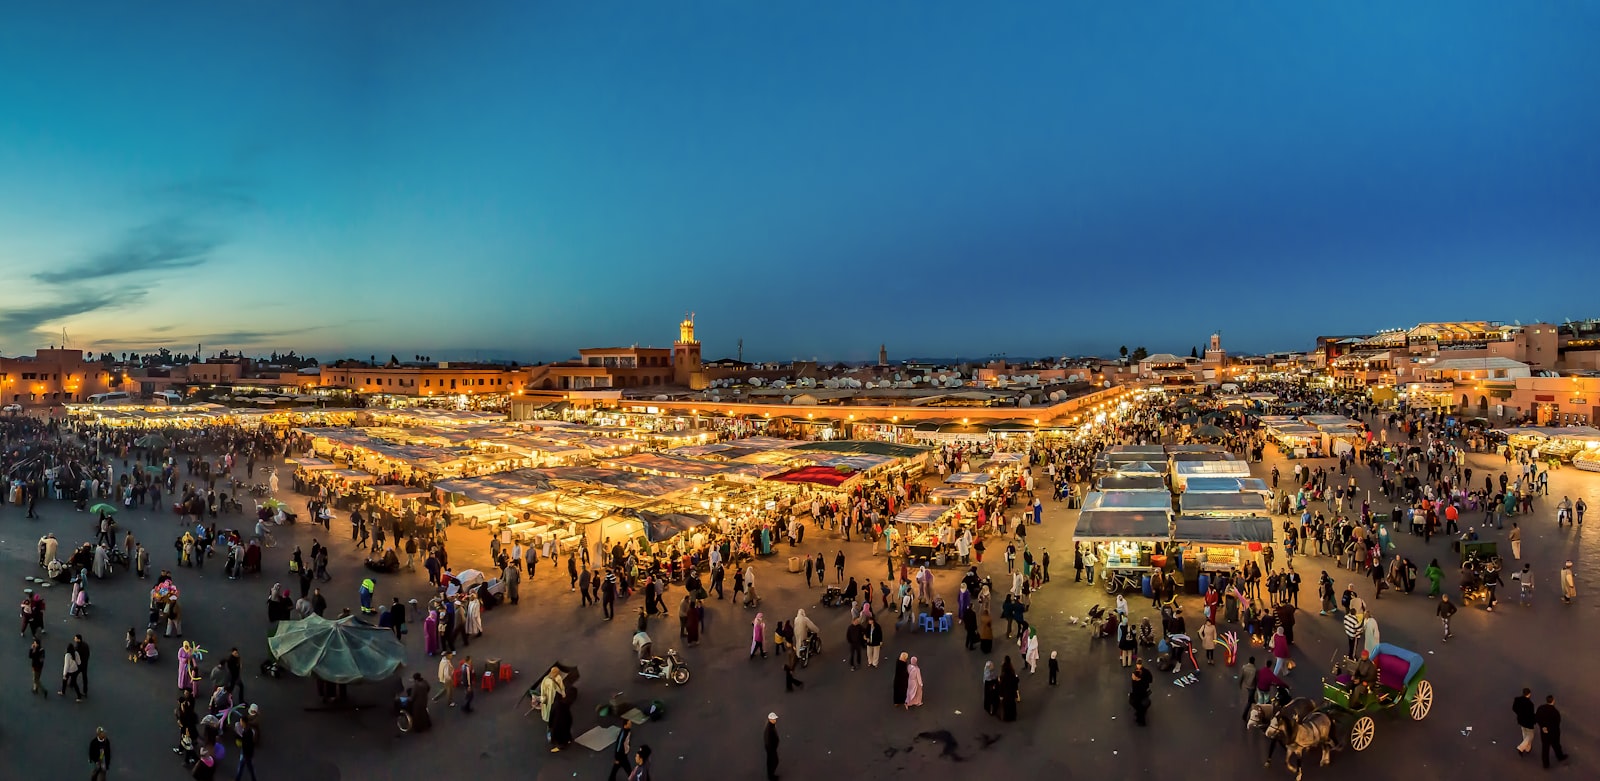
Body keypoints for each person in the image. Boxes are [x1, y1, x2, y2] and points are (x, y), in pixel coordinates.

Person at [1536, 695, 1567, 768]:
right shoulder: (1555, 712)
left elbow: (1537, 718)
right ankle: (1560, 757)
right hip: (1553, 733)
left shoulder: (1540, 708)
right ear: (1553, 701)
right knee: (1556, 745)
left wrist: (1543, 726)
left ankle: (1546, 764)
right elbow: (1557, 723)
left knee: (1545, 748)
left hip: (1544, 733)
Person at [1513, 687, 1537, 757]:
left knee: (1524, 733)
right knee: (1530, 736)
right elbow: (1531, 715)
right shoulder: (1530, 704)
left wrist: (1519, 713)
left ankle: (1527, 748)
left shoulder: (1517, 700)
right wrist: (1534, 720)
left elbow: (1514, 708)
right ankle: (1521, 747)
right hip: (1528, 722)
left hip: (1521, 720)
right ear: (1529, 694)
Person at [1129, 660, 1153, 726]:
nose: (1132, 677)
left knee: (1140, 710)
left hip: (1139, 698)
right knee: (1141, 709)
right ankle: (1140, 716)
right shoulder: (1142, 677)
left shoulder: (1137, 684)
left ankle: (1141, 721)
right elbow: (1150, 680)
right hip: (1143, 696)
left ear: (1137, 677)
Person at [998, 656, 1020, 721]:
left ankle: (1007, 718)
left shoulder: (1003, 676)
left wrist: (1001, 694)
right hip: (1012, 692)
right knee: (1012, 705)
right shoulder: (1012, 673)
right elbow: (1016, 681)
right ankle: (1013, 717)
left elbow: (1001, 685)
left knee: (1006, 706)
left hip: (1006, 693)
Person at [763, 713, 781, 781]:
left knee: (771, 762)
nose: (775, 720)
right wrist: (772, 748)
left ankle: (771, 775)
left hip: (771, 748)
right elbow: (768, 738)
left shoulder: (771, 726)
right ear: (770, 719)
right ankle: (771, 776)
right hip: (771, 748)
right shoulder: (769, 728)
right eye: (774, 719)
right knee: (774, 761)